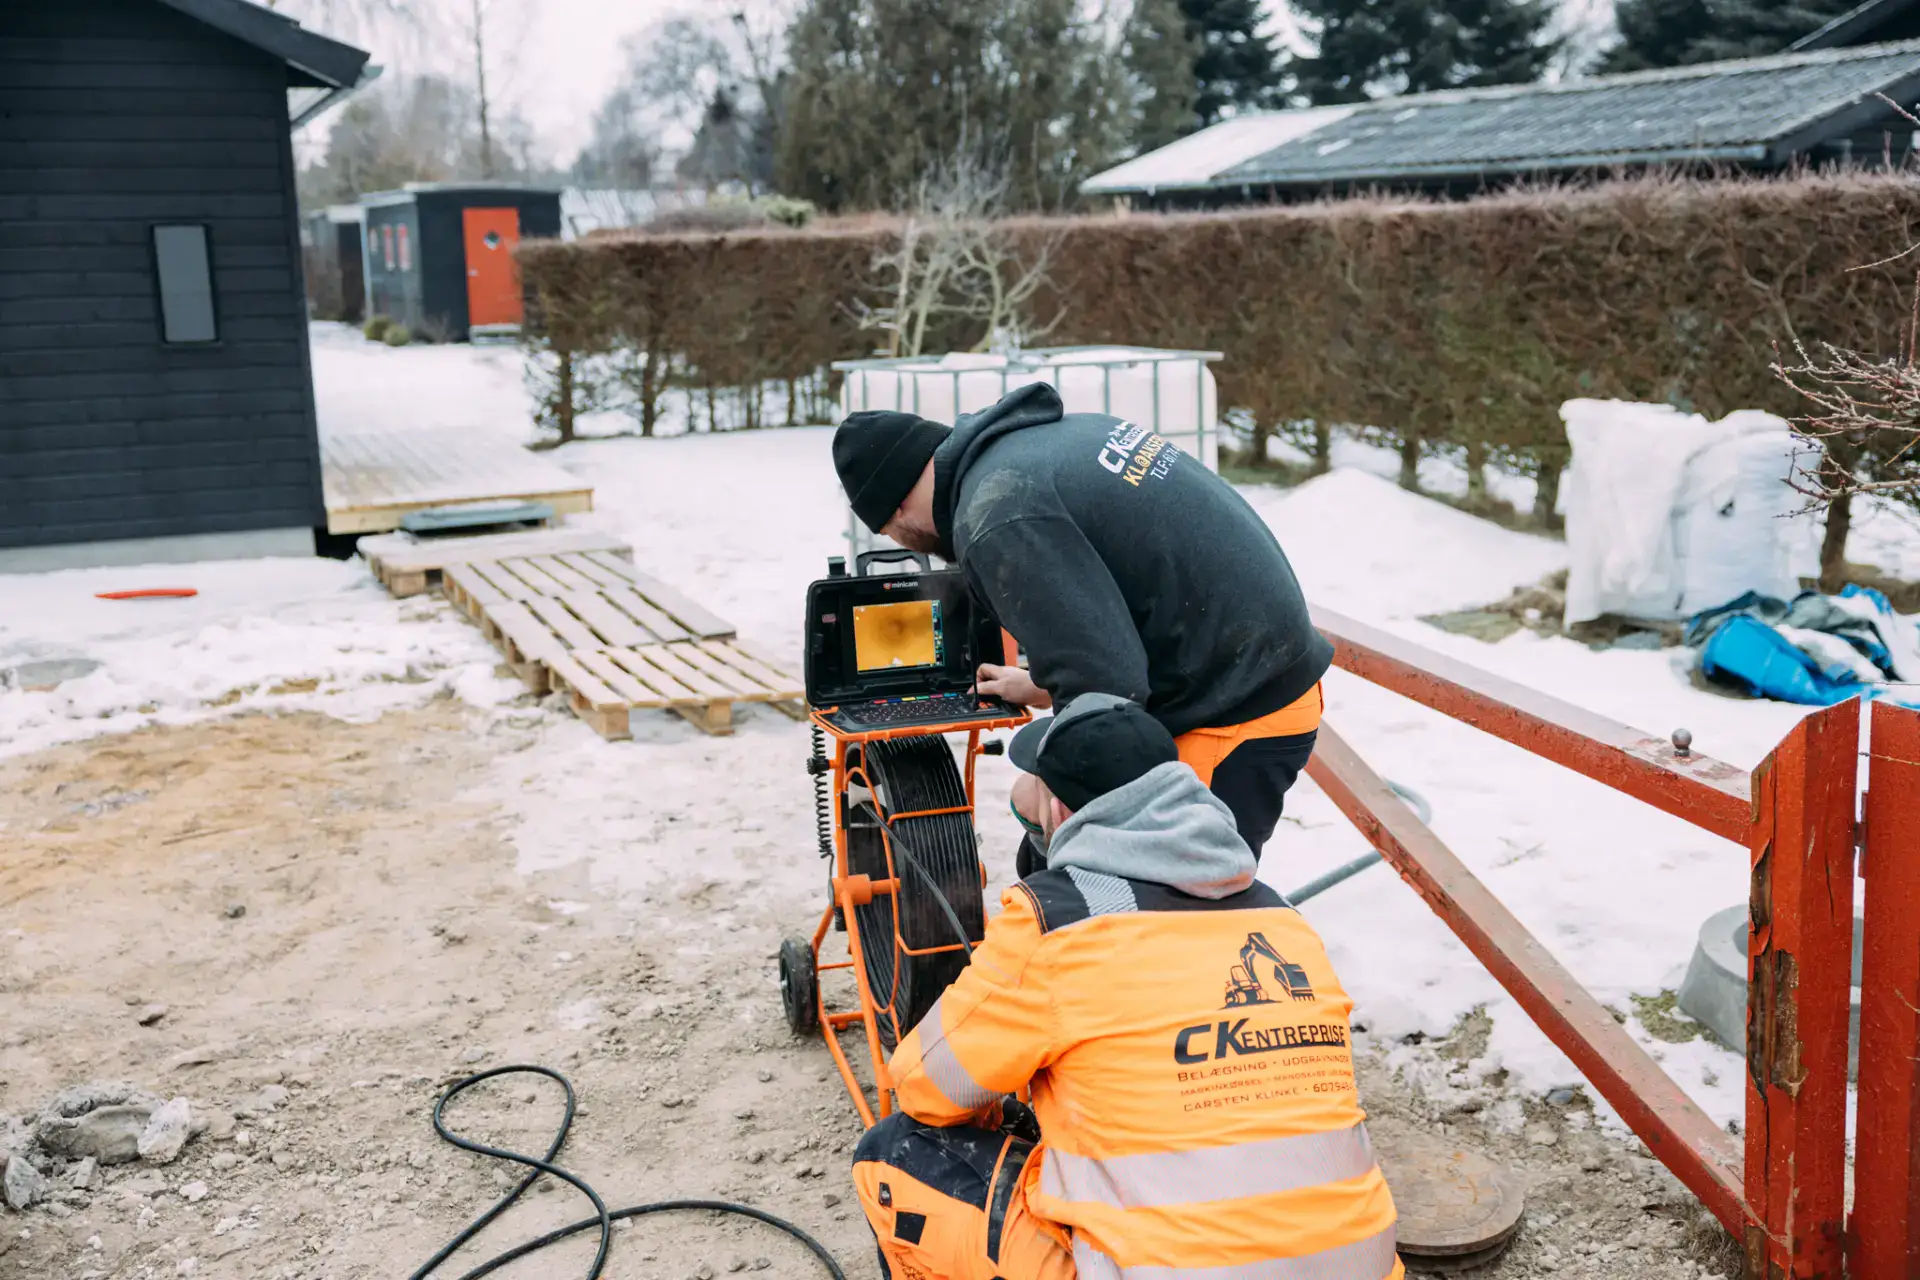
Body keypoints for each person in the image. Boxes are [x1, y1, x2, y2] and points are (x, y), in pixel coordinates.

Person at [849, 693, 1402, 1280]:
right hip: (1362, 1264)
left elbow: (924, 1087)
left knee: (888, 1154)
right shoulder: (1284, 922)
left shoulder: (1057, 921)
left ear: (1059, 812)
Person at [832, 383, 1329, 866]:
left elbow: (1106, 691)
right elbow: (1120, 606)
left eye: (891, 534)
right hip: (1252, 667)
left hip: (1237, 713)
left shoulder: (997, 513)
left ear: (893, 510)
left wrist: (1057, 812)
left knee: (1176, 909)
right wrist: (1045, 684)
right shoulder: (1050, 442)